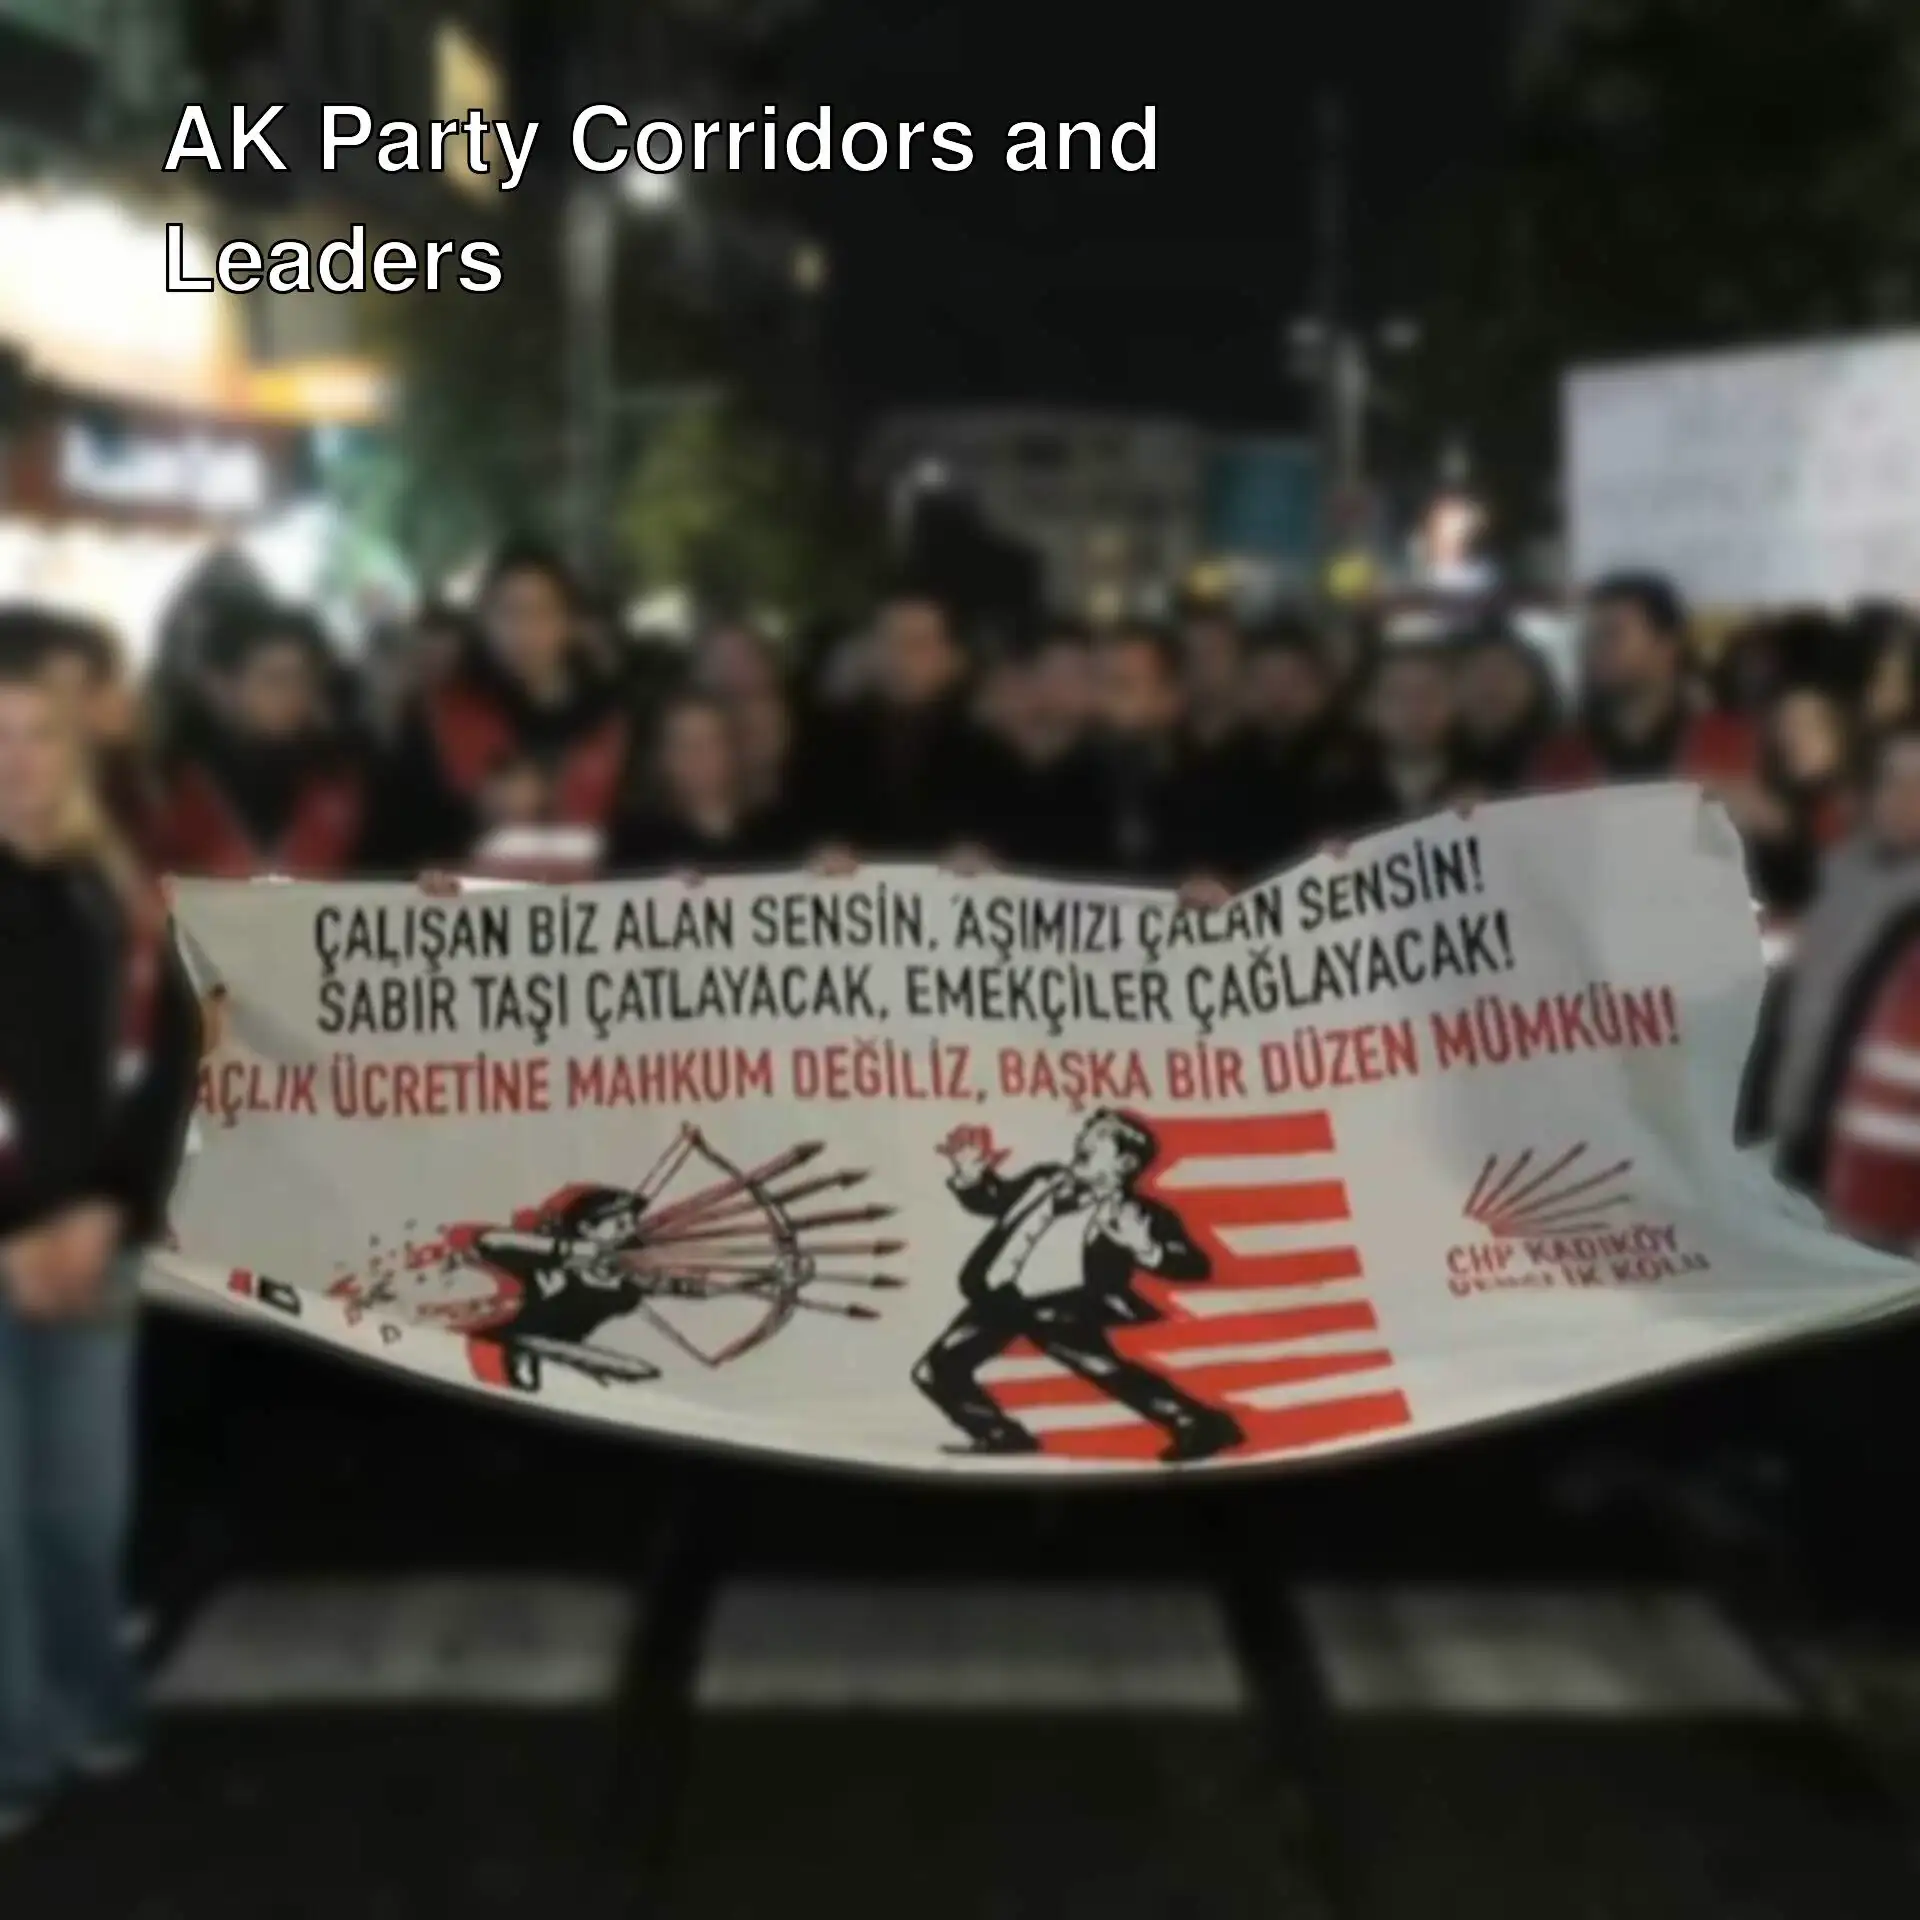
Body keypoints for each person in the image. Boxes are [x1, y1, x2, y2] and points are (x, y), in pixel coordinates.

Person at [0, 618, 202, 1842]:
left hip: (97, 1240)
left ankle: (93, 1695)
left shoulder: (117, 890)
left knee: (80, 1508)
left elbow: (167, 1066)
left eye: (37, 734)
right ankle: (16, 1744)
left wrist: (105, 1209)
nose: (16, 760)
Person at [912, 1114, 1243, 1464]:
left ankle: (1201, 1424)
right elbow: (993, 1200)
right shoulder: (1044, 1179)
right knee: (936, 1369)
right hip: (1001, 1297)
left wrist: (1147, 1248)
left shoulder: (1135, 1212)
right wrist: (971, 1175)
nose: (1084, 1138)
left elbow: (1195, 1265)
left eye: (1099, 1137)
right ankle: (1000, 1434)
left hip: (1066, 1306)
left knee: (1106, 1371)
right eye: (1087, 1131)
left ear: (1125, 1163)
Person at [373, 543, 628, 868]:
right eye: (509, 613)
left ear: (568, 623)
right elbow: (396, 841)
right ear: (484, 622)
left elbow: (642, 835)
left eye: (541, 613)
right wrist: (475, 817)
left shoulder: (612, 720)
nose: (524, 631)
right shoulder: (438, 717)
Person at [1768, 726, 1920, 1201]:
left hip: (1871, 1153)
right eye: (1893, 781)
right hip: (1788, 1131)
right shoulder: (1840, 871)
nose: (1903, 798)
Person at [149, 607, 367, 879]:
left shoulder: (339, 783)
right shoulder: (175, 790)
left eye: (303, 680)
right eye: (274, 680)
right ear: (222, 687)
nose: (294, 695)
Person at [806, 591, 992, 859]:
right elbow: (809, 822)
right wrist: (825, 847)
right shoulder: (830, 733)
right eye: (890, 643)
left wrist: (981, 851)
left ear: (949, 656)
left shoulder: (983, 734)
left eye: (919, 645)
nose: (902, 658)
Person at [1532, 574, 1756, 796]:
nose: (1594, 648)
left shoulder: (1730, 742)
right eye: (1589, 638)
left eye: (1612, 634)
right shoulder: (1563, 757)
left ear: (1666, 644)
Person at [1224, 618, 1388, 878]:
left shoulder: (1362, 764)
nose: (1279, 698)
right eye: (1264, 683)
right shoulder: (1218, 772)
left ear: (1322, 688)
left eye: (1293, 682)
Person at [608, 688, 801, 873]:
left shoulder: (779, 833)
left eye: (710, 741)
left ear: (733, 750)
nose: (698, 757)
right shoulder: (635, 844)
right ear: (662, 759)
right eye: (683, 745)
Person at [1746, 684, 1857, 921]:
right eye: (1785, 725)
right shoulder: (1772, 796)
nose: (1792, 736)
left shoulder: (1849, 803)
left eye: (1807, 725)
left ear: (1836, 734)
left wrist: (1787, 833)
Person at [1364, 642, 1467, 823]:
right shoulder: (1336, 794)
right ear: (1372, 709)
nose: (1415, 709)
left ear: (1454, 702)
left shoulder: (1493, 783)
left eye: (1429, 694)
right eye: (1397, 696)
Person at [1453, 625, 1558, 798]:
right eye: (1479, 672)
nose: (1491, 686)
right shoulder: (1432, 762)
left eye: (1505, 673)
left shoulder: (1565, 758)